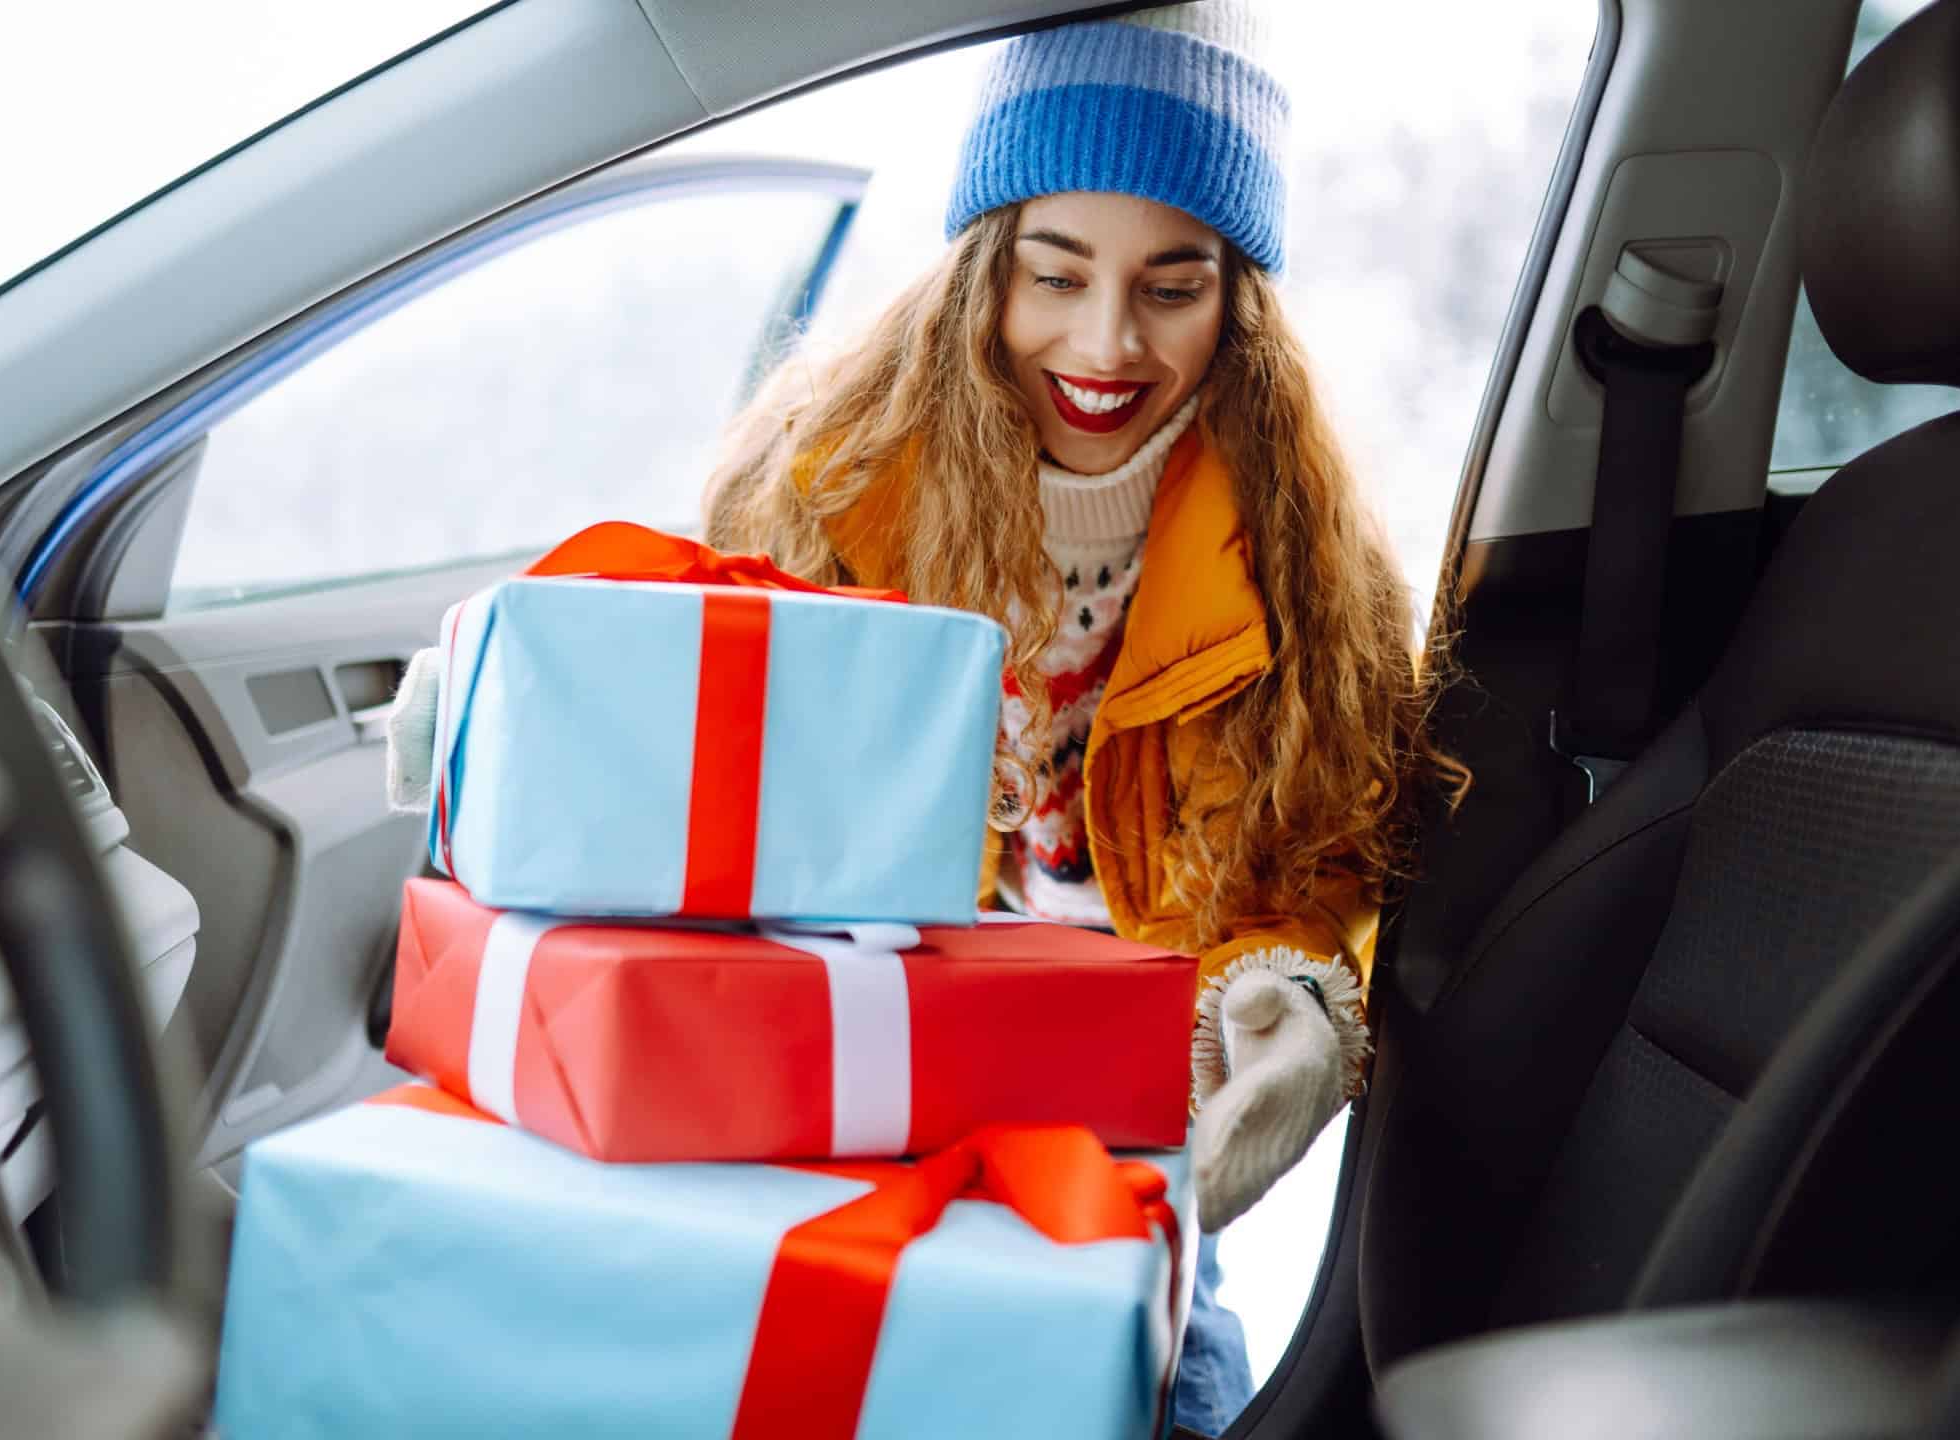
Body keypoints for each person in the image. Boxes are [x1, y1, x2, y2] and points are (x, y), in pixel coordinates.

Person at [390, 5, 1458, 1431]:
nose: (1104, 341)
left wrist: (1292, 998)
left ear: (1239, 300)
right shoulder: (833, 483)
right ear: (983, 268)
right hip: (848, 1091)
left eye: (1172, 284)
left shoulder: (1311, 575)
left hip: (1105, 1135)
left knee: (1168, 1388)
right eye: (1055, 273)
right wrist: (518, 692)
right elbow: (700, 694)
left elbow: (1304, 874)